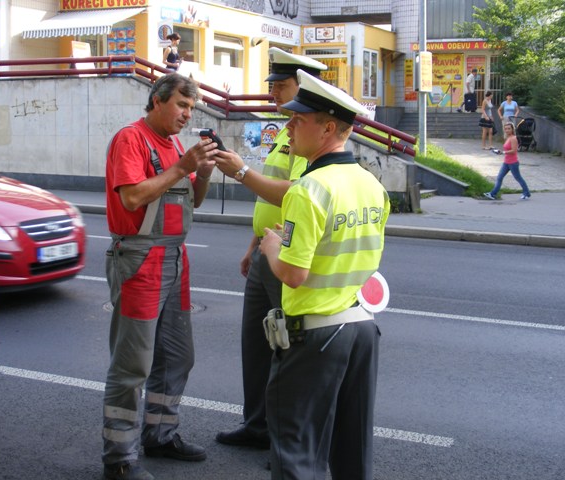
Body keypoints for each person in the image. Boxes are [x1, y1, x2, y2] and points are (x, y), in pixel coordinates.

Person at [258, 69, 390, 480]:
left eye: (300, 119)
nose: (289, 125)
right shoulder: (371, 185)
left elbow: (293, 275)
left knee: (297, 450)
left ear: (328, 128)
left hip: (314, 336)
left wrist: (272, 248)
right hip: (361, 329)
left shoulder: (308, 188)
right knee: (352, 449)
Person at [102, 73, 219, 480]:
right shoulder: (130, 139)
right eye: (182, 105)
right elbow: (132, 196)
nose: (187, 114)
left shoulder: (173, 146)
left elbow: (194, 200)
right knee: (132, 364)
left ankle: (160, 434)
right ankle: (119, 459)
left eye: (191, 108)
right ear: (157, 100)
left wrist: (200, 171)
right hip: (139, 259)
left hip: (174, 258)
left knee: (176, 356)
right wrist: (181, 167)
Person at [212, 48, 327, 452]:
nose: (274, 93)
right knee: (256, 344)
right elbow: (270, 202)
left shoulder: (307, 137)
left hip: (286, 256)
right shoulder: (284, 132)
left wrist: (242, 172)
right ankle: (257, 424)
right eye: (273, 86)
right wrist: (252, 245)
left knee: (286, 348)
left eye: (282, 86)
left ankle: (285, 440)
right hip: (266, 249)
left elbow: (294, 194)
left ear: (305, 87)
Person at [484, 122, 531, 201]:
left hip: (513, 163)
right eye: (505, 129)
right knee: (499, 177)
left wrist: (503, 152)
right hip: (506, 162)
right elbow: (506, 149)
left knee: (518, 178)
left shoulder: (513, 138)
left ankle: (527, 193)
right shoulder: (508, 138)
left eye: (509, 128)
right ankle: (493, 194)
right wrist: (499, 151)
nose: (507, 130)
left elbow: (514, 150)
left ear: (512, 129)